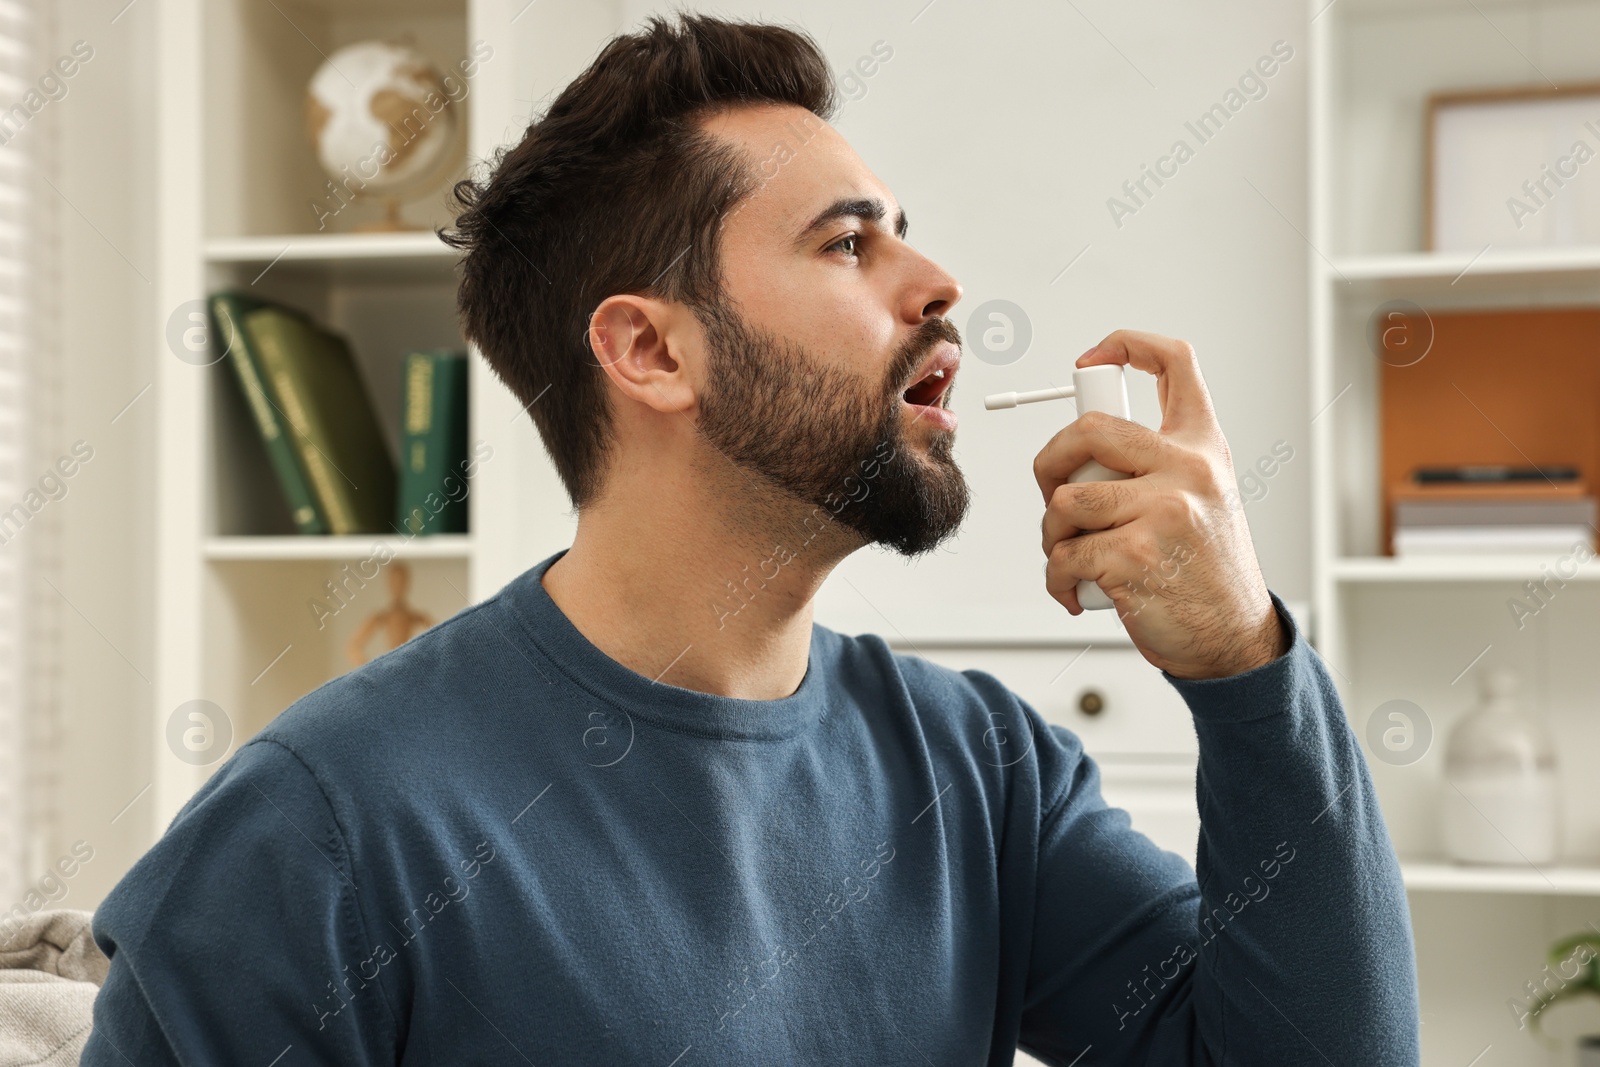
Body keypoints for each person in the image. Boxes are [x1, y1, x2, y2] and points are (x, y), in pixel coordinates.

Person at [82, 14, 1418, 1065]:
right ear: (652, 349)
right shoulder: (321, 827)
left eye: (903, 232)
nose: (941, 281)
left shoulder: (984, 773)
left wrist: (1246, 668)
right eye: (849, 244)